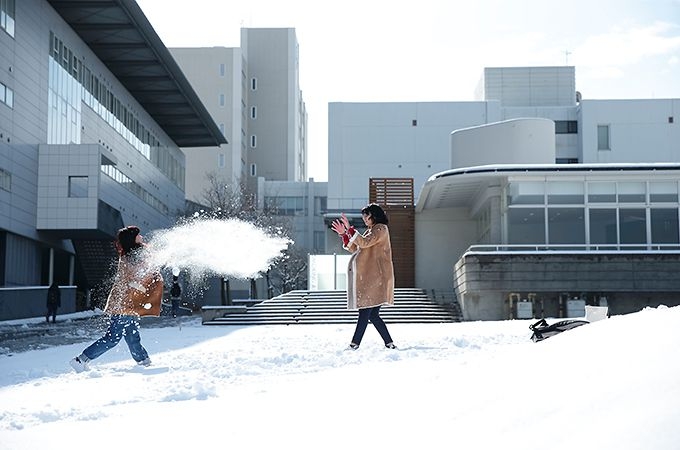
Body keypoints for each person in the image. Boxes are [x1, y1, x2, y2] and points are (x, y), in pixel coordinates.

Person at [70, 225, 162, 372]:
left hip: (128, 304)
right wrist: (146, 286)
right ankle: (81, 360)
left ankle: (143, 360)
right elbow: (132, 281)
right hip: (123, 304)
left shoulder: (133, 255)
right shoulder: (129, 258)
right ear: (132, 239)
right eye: (138, 235)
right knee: (113, 338)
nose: (141, 237)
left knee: (132, 335)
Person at [331, 203, 397, 350]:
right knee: (372, 315)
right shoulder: (371, 231)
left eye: (366, 216)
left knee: (365, 311)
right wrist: (344, 234)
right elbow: (356, 248)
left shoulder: (380, 229)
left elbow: (365, 243)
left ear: (374, 215)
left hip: (377, 278)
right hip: (374, 277)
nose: (365, 219)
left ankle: (354, 344)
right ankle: (389, 343)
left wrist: (349, 229)